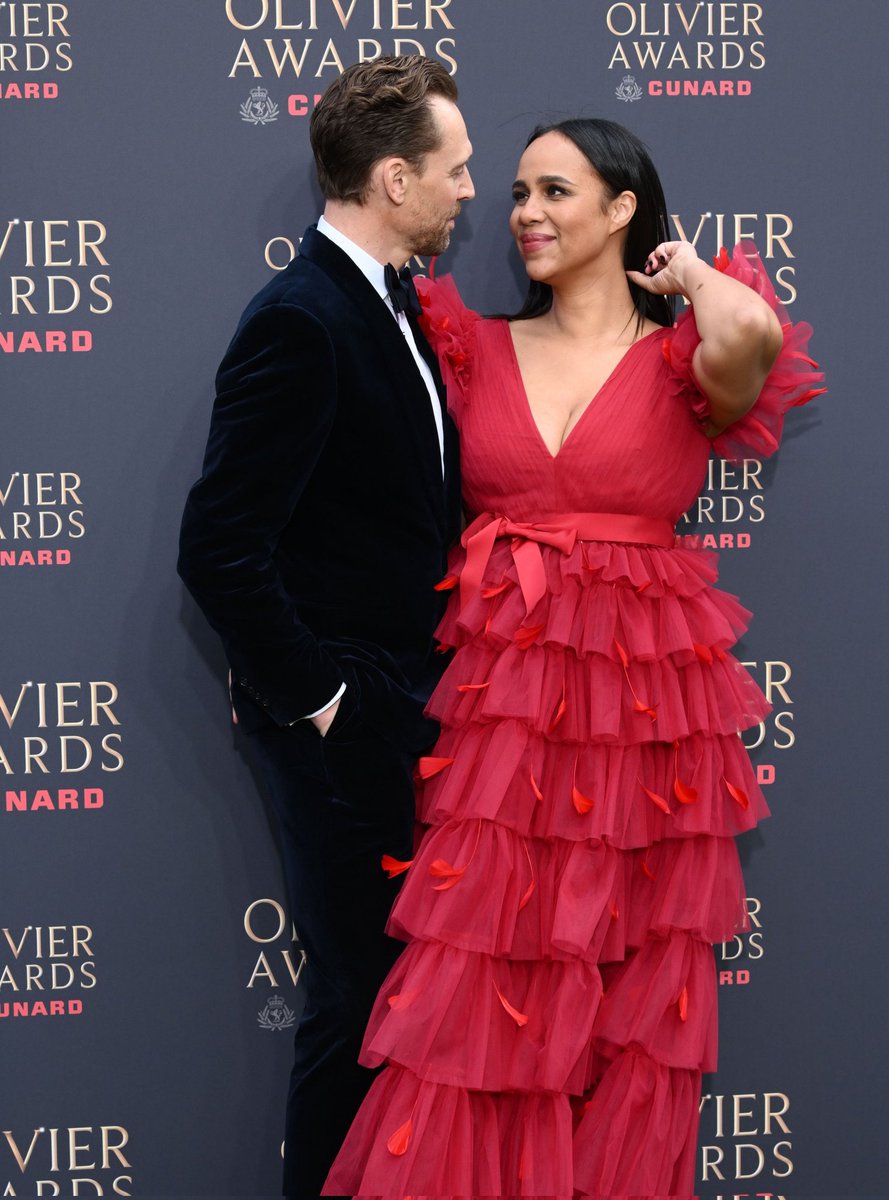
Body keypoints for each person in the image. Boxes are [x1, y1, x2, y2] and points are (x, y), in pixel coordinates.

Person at [322, 116, 824, 1199]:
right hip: (499, 731)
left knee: (627, 999)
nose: (524, 215)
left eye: (554, 191)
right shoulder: (469, 344)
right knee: (474, 989)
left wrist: (686, 271)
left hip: (646, 733)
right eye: (513, 194)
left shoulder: (686, 358)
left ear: (621, 209)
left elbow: (758, 338)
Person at [176, 55, 473, 1199]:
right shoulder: (301, 317)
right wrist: (329, 703)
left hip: (405, 707)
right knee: (356, 1004)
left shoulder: (387, 302)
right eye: (452, 170)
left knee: (394, 1005)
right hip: (338, 721)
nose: (467, 191)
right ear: (393, 178)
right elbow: (218, 548)